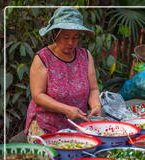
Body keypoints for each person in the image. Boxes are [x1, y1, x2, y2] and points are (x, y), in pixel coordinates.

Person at [24, 8, 102, 142]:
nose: (71, 42)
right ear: (55, 34)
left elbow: (94, 89)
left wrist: (95, 106)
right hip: (46, 126)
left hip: (77, 126)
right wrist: (66, 109)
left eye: (75, 37)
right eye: (66, 37)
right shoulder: (43, 58)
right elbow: (38, 96)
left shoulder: (85, 55)